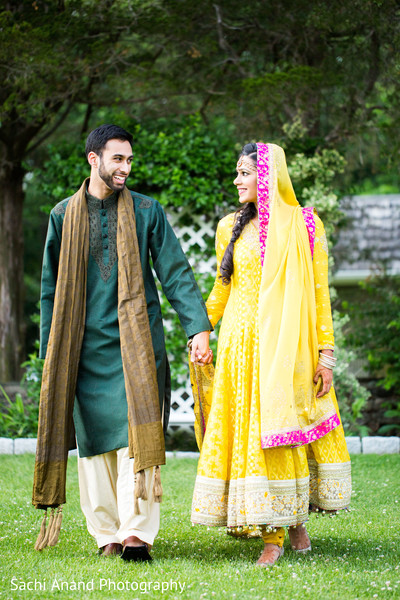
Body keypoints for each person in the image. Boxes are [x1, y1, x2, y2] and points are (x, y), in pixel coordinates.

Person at [32, 124, 211, 560]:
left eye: (129, 160)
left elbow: (175, 271)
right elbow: (49, 290)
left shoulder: (148, 211)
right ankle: (107, 534)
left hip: (136, 345)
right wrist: (48, 355)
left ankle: (137, 534)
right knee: (94, 443)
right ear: (93, 159)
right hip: (82, 348)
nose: (125, 168)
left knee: (138, 435)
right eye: (117, 159)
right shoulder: (62, 215)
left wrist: (198, 327)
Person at [190, 142, 351, 567]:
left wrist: (326, 355)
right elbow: (222, 288)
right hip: (240, 351)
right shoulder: (231, 227)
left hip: (287, 352)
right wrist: (201, 329)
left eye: (244, 172)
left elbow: (320, 296)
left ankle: (286, 527)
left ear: (269, 175)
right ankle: (274, 528)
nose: (236, 180)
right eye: (237, 173)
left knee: (282, 436)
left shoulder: (307, 226)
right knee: (254, 440)